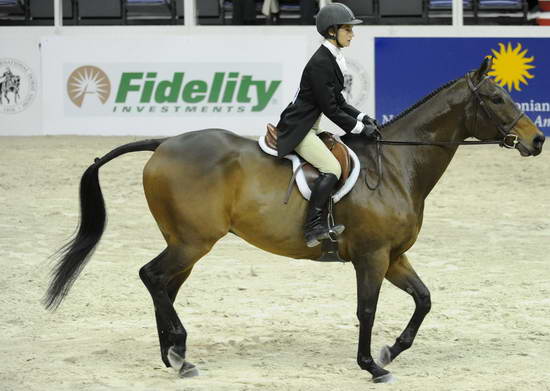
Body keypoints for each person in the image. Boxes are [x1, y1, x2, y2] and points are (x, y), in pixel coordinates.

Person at [275, 3, 380, 248]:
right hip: (300, 128)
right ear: (332, 31)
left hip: (311, 125)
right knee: (332, 168)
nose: (352, 34)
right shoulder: (321, 62)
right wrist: (358, 129)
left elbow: (339, 100)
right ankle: (312, 228)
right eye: (348, 29)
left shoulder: (332, 58)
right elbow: (331, 109)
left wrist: (363, 117)